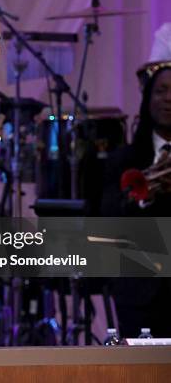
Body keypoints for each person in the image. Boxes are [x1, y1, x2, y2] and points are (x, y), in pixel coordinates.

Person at [101, 62, 171, 339]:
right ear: (147, 100)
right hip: (139, 294)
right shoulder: (123, 160)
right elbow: (106, 219)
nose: (168, 99)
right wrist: (143, 200)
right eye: (161, 91)